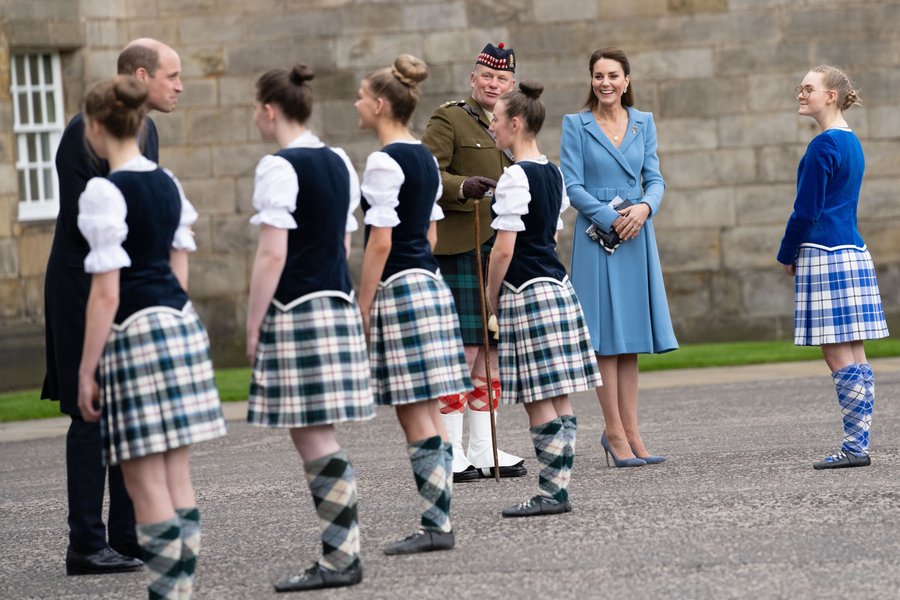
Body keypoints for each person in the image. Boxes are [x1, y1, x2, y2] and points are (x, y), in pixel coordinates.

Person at [75, 75, 226, 600]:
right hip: (179, 324)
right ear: (139, 122)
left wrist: (87, 367)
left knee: (143, 484)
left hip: (134, 332)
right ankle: (180, 590)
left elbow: (105, 295)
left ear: (95, 127)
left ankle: (171, 596)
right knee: (177, 477)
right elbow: (177, 273)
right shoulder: (168, 183)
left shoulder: (102, 190)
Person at [42, 38, 183, 575]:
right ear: (141, 75)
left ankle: (127, 533)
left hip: (128, 282)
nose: (178, 86)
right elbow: (94, 224)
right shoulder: (85, 132)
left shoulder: (150, 131)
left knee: (128, 402)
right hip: (84, 283)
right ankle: (86, 542)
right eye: (171, 76)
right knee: (91, 408)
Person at [245, 64, 374, 592]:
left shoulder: (278, 166)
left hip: (297, 308)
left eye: (257, 108)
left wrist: (254, 324)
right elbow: (343, 245)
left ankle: (342, 558)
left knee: (314, 434)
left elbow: (272, 253)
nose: (256, 116)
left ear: (271, 110)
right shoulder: (340, 161)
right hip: (335, 300)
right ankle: (341, 554)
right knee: (315, 431)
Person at [354, 54, 470, 554]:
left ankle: (436, 524)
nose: (357, 104)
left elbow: (380, 241)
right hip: (429, 278)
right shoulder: (422, 154)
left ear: (380, 104)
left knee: (412, 409)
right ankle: (437, 520)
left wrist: (362, 307)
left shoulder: (383, 160)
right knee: (425, 407)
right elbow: (430, 229)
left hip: (399, 285)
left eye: (361, 96)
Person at [486, 81, 602, 517]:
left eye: (496, 119)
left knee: (538, 394)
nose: (493, 126)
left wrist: (490, 294)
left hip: (525, 290)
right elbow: (550, 234)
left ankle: (552, 493)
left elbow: (503, 248)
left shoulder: (515, 175)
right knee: (558, 395)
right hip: (555, 284)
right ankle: (558, 487)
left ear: (516, 123)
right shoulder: (552, 172)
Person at [559, 47, 677, 468]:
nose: (605, 83)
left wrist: (645, 209)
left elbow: (655, 178)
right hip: (597, 236)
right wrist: (611, 218)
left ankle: (632, 433)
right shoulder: (576, 124)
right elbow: (571, 186)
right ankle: (612, 432)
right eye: (597, 76)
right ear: (591, 80)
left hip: (638, 233)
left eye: (612, 75)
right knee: (605, 341)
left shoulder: (644, 122)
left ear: (626, 80)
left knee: (630, 344)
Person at [421, 42, 526, 481]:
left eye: (501, 79)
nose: (493, 83)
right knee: (462, 350)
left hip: (499, 244)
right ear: (473, 78)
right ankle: (449, 449)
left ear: (511, 84)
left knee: (490, 351)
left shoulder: (513, 123)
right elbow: (427, 171)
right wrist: (463, 187)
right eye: (486, 75)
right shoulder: (450, 117)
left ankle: (484, 448)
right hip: (461, 244)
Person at [777, 66, 889, 470]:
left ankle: (855, 448)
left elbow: (805, 211)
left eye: (808, 88)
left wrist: (786, 253)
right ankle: (858, 443)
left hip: (824, 252)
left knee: (838, 351)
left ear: (832, 96)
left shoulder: (824, 146)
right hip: (852, 250)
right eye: (800, 87)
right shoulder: (851, 141)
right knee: (856, 352)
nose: (801, 94)